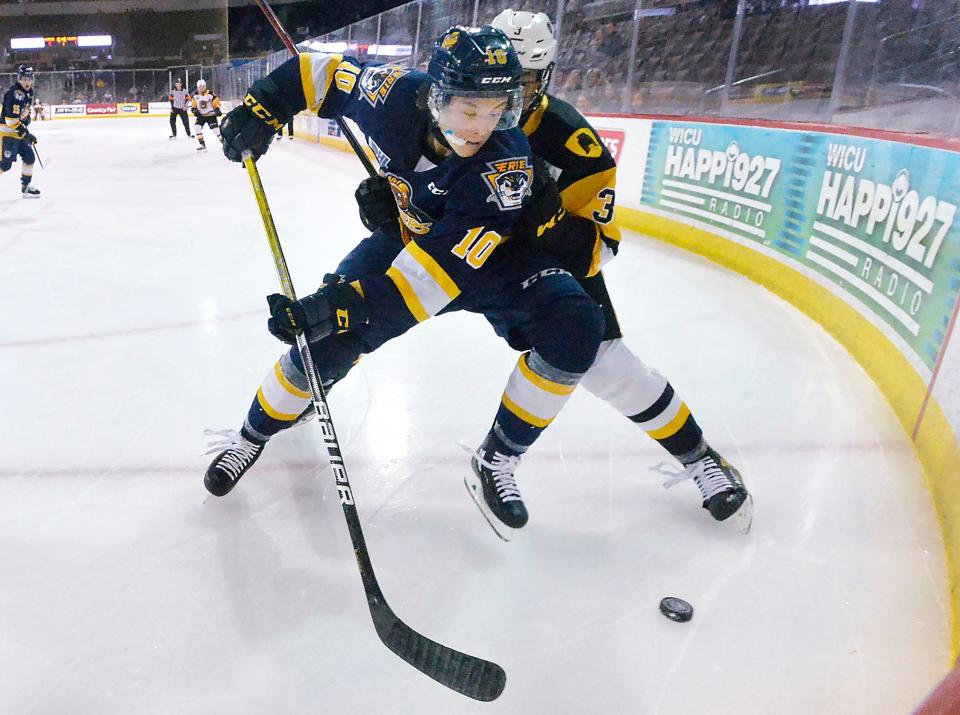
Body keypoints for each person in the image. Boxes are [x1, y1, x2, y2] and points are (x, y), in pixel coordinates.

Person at [205, 25, 605, 541]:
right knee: (324, 345)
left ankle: (497, 458)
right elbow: (316, 71)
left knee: (575, 324)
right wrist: (263, 109)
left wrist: (339, 303)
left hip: (495, 261)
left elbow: (433, 279)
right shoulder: (391, 92)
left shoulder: (504, 164)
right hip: (414, 240)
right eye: (469, 108)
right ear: (434, 97)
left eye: (498, 109)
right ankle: (251, 436)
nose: (484, 125)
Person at [488, 8, 751, 526]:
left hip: (530, 265)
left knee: (606, 360)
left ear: (545, 77)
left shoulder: (574, 146)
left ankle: (700, 458)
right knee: (365, 305)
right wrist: (385, 199)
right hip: (455, 249)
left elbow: (598, 251)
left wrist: (550, 222)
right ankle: (294, 397)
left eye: (521, 81)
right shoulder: (447, 106)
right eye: (498, 80)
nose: (506, 97)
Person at [1, 64, 41, 199]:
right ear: (19, 79)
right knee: (4, 165)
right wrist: (26, 134)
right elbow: (11, 121)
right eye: (24, 79)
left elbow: (23, 115)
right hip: (6, 134)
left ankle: (26, 187)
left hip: (17, 132)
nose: (27, 82)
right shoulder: (15, 94)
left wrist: (26, 121)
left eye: (29, 79)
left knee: (30, 158)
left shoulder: (28, 93)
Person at [191, 79, 222, 151]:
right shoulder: (195, 96)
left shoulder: (211, 94)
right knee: (197, 128)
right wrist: (195, 111)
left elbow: (216, 103)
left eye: (203, 86)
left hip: (211, 115)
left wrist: (217, 109)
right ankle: (202, 145)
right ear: (197, 87)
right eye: (200, 86)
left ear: (205, 86)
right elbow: (193, 106)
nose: (202, 88)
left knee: (216, 131)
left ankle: (225, 144)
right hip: (201, 116)